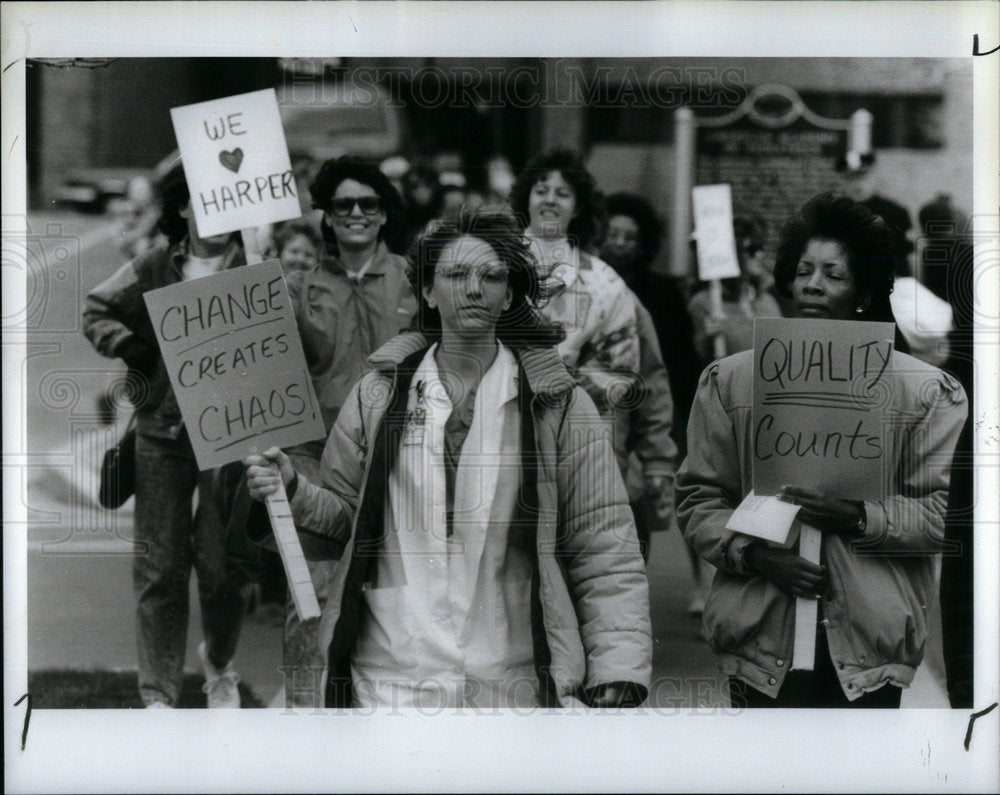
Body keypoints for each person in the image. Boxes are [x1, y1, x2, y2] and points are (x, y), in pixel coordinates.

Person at [243, 207, 653, 709]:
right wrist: (292, 492)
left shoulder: (559, 403)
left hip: (514, 683)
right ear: (428, 293)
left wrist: (617, 667)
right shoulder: (379, 393)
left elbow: (605, 546)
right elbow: (345, 524)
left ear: (509, 295)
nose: (474, 288)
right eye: (456, 274)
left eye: (492, 275)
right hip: (390, 678)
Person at [675, 193, 967, 708]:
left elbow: (944, 516)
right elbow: (700, 500)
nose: (813, 284)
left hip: (869, 651)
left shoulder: (925, 393)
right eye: (804, 270)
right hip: (759, 644)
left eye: (833, 273)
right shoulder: (730, 382)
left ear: (862, 290)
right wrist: (756, 555)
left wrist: (856, 517)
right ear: (786, 278)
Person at [236, 155, 417, 708]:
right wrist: (255, 287)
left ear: (385, 213)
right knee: (310, 592)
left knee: (394, 589)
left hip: (400, 450)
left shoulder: (416, 279)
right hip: (314, 451)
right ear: (328, 217)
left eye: (369, 203)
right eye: (344, 205)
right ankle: (302, 713)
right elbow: (256, 353)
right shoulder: (300, 286)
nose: (357, 213)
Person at [83, 160, 248, 708]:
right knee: (161, 568)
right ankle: (158, 694)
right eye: (207, 201)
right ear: (183, 209)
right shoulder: (154, 266)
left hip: (231, 436)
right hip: (162, 433)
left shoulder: (256, 268)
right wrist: (128, 346)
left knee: (223, 569)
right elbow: (97, 308)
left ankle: (219, 660)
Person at [511, 150, 676, 562]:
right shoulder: (492, 266)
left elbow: (623, 379)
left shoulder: (605, 285)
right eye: (541, 189)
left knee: (576, 564)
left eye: (563, 193)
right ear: (525, 197)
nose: (550, 199)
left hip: (582, 449)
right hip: (500, 441)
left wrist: (548, 378)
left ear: (579, 206)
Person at [599, 192, 707, 599]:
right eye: (613, 234)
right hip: (604, 412)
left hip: (651, 415)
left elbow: (677, 358)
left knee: (642, 507)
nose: (621, 243)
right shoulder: (583, 285)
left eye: (630, 236)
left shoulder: (661, 293)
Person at [686, 216, 783, 365]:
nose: (760, 255)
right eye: (751, 250)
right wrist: (706, 341)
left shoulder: (767, 300)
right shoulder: (704, 303)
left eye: (760, 248)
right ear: (733, 254)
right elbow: (690, 362)